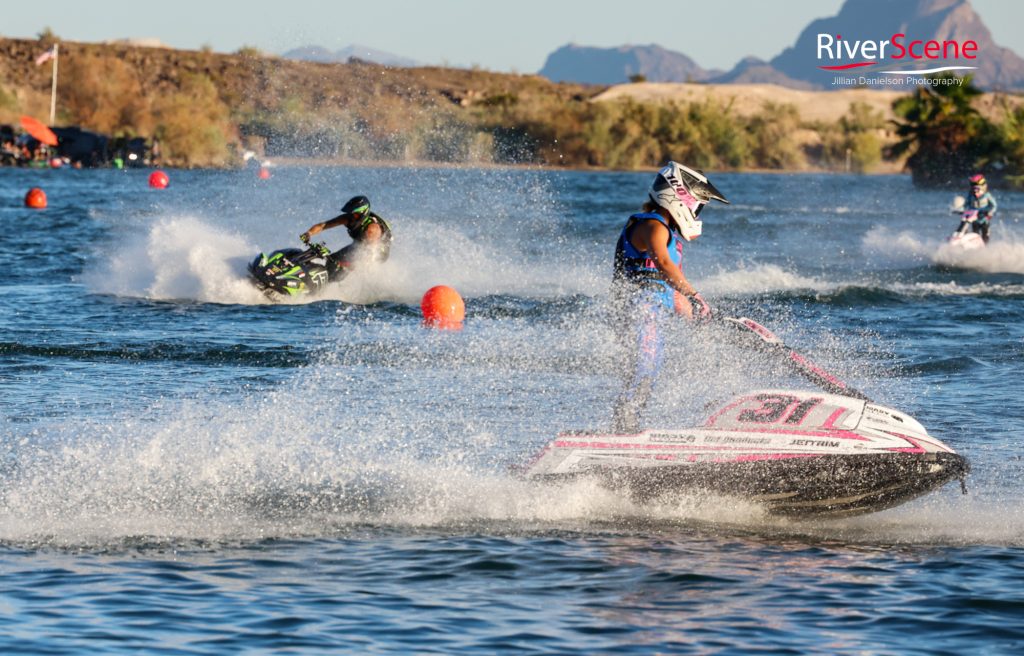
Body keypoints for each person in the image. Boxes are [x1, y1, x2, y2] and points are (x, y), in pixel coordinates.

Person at [610, 161, 729, 434]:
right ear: (679, 197)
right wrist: (695, 293)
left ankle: (627, 430)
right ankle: (623, 430)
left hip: (653, 314)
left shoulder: (671, 237)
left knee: (647, 375)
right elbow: (663, 264)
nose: (698, 211)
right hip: (636, 309)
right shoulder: (652, 225)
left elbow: (674, 294)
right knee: (641, 371)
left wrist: (699, 317)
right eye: (697, 204)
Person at [300, 195, 393, 281]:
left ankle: (342, 285)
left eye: (355, 215)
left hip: (377, 252)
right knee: (332, 259)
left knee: (342, 266)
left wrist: (347, 265)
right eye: (351, 214)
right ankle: (327, 283)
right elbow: (323, 225)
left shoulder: (372, 230)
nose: (352, 217)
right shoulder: (348, 218)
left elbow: (369, 256)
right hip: (360, 245)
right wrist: (309, 233)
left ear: (363, 214)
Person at [956, 173, 998, 244]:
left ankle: (985, 247)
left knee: (985, 235)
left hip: (984, 219)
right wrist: (960, 210)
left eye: (977, 188)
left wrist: (989, 212)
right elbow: (966, 204)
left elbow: (994, 205)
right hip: (974, 219)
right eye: (973, 187)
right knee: (975, 234)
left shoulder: (987, 195)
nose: (975, 191)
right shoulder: (970, 195)